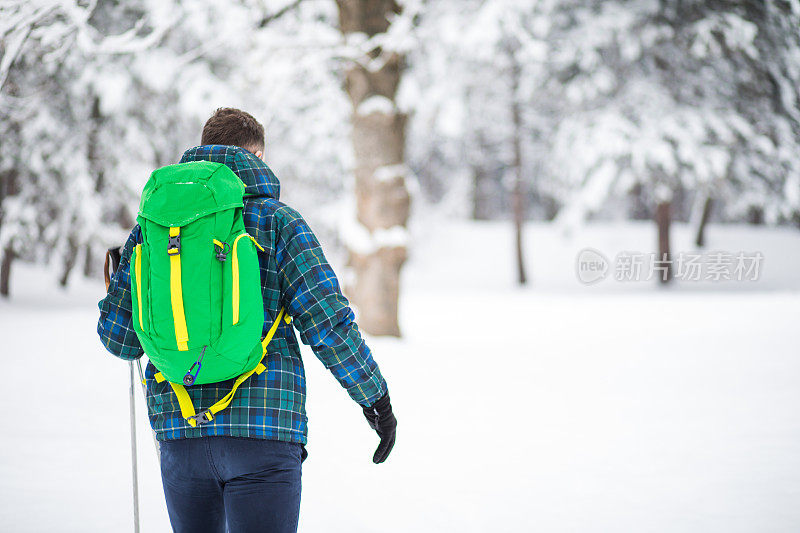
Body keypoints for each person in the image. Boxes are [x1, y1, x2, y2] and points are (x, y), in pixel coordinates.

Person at [97, 107, 396, 533]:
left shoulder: (154, 228)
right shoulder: (278, 221)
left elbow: (119, 339)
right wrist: (375, 400)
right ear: (255, 155)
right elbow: (328, 323)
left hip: (180, 433)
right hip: (263, 430)